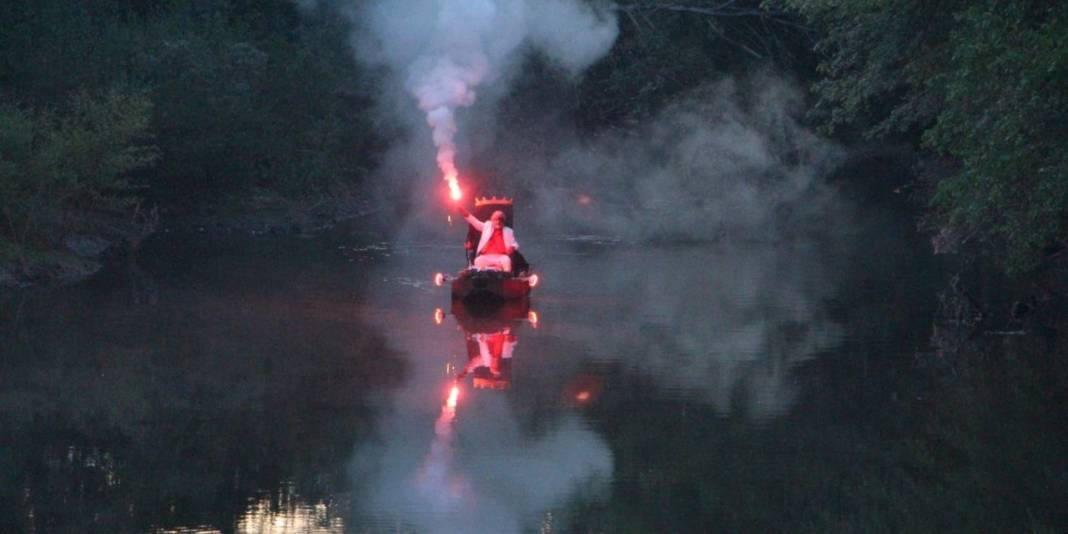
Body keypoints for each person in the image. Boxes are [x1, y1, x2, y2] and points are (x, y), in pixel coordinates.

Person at [458, 206, 517, 272]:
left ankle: (506, 278)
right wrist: (465, 213)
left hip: (501, 256)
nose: (498, 222)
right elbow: (475, 222)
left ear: (504, 221)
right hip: (486, 256)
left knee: (506, 260)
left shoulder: (508, 231)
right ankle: (482, 276)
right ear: (492, 220)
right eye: (496, 219)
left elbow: (514, 244)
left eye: (501, 220)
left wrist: (512, 247)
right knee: (478, 260)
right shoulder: (487, 226)